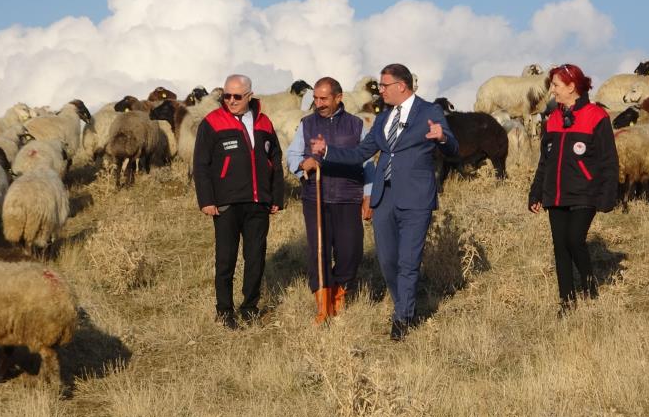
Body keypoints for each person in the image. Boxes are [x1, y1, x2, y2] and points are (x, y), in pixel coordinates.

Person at [302, 64, 458, 340]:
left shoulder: (430, 112)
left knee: (408, 261)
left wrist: (442, 137)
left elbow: (453, 147)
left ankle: (402, 318)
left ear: (402, 86)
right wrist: (327, 151)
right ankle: (404, 305)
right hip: (384, 198)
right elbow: (361, 152)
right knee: (388, 261)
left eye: (385, 86)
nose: (380, 90)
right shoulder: (385, 117)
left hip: (415, 198)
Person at [193, 74, 284, 329]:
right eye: (226, 96)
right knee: (226, 258)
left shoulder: (264, 123)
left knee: (255, 257)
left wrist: (276, 196)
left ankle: (249, 307)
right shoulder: (212, 123)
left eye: (236, 96)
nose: (230, 101)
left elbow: (274, 159)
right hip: (226, 203)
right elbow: (201, 165)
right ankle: (224, 310)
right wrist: (206, 199)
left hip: (258, 202)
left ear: (249, 96)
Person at [528, 63, 618, 315]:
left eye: (556, 85)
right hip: (555, 194)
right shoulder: (553, 119)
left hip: (584, 192)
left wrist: (607, 195)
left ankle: (590, 286)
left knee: (574, 240)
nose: (552, 90)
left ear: (571, 87)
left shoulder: (597, 117)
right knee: (560, 246)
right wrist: (536, 193)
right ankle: (566, 301)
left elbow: (608, 160)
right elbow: (544, 161)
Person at [285, 76, 374, 324]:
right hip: (316, 197)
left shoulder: (357, 125)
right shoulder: (306, 124)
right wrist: (303, 163)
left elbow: (368, 163)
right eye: (315, 98)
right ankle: (323, 306)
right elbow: (291, 154)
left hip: (348, 197)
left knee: (351, 252)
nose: (319, 103)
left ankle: (339, 292)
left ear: (339, 97)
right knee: (319, 251)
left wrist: (368, 195)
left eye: (324, 98)